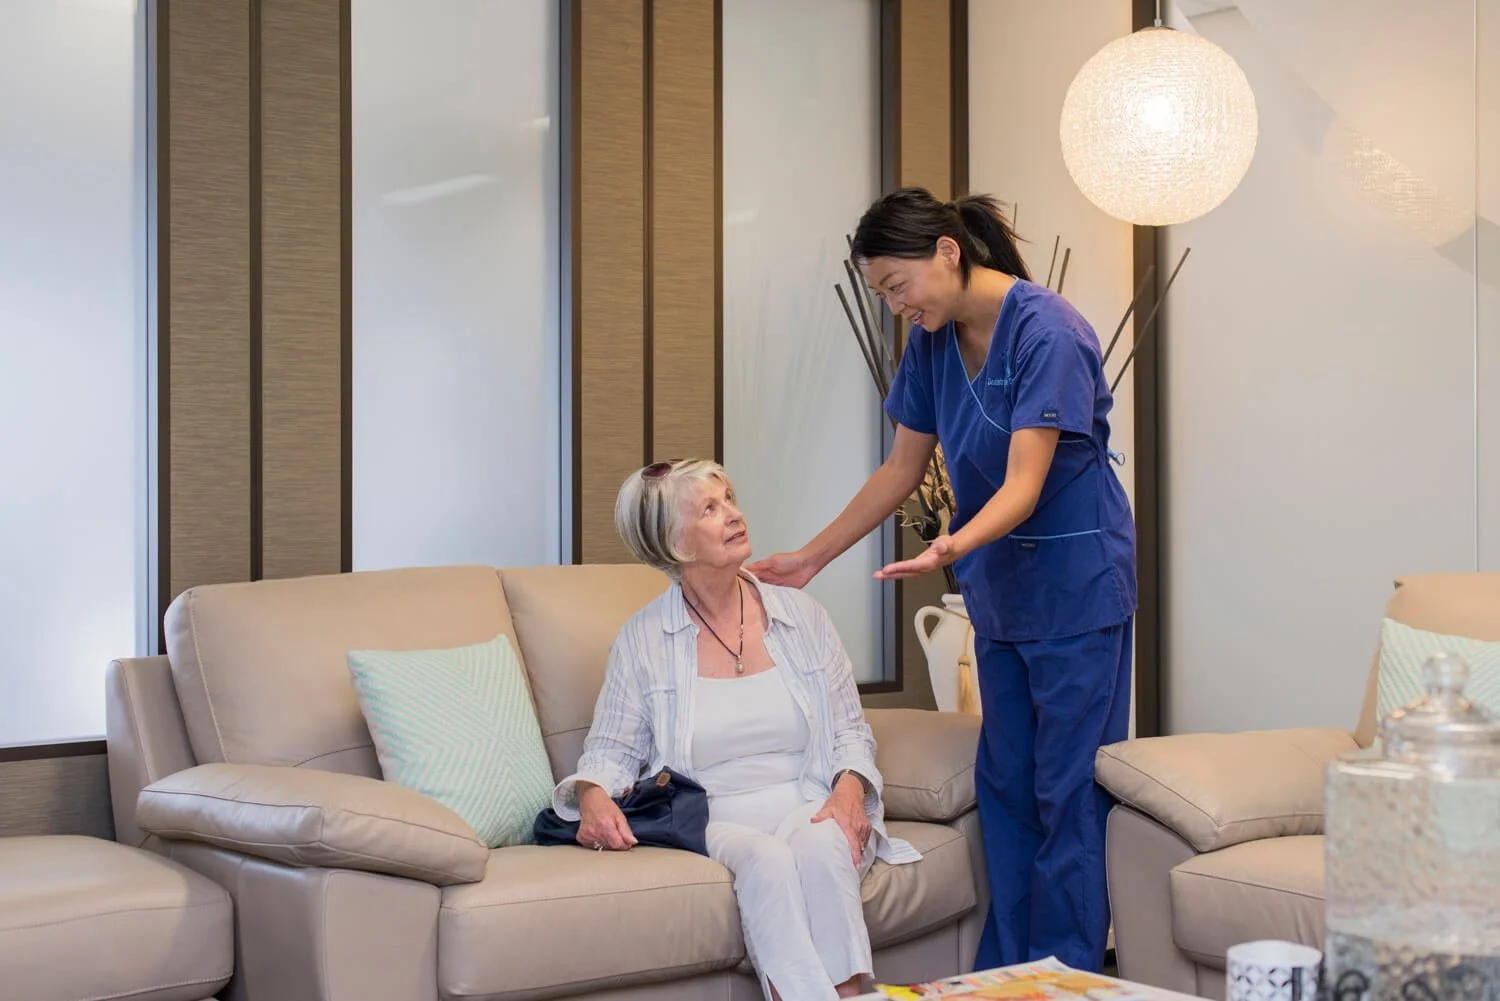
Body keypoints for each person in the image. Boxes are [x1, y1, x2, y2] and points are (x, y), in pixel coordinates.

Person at [749, 187, 1136, 974]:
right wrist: (812, 557)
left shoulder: (1048, 330)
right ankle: (1007, 975)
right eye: (883, 293)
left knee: (1067, 791)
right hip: (1003, 592)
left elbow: (1024, 485)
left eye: (897, 285)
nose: (896, 306)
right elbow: (902, 468)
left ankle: (1064, 976)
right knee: (1007, 785)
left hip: (1075, 585)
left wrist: (948, 547)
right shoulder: (932, 343)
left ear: (948, 252)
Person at [551, 458, 917, 1001]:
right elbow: (611, 751)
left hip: (808, 798)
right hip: (715, 817)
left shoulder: (802, 617)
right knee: (764, 860)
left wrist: (849, 790)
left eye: (729, 499)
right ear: (674, 543)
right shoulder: (644, 639)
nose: (735, 515)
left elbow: (850, 733)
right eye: (710, 509)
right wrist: (592, 795)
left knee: (823, 843)